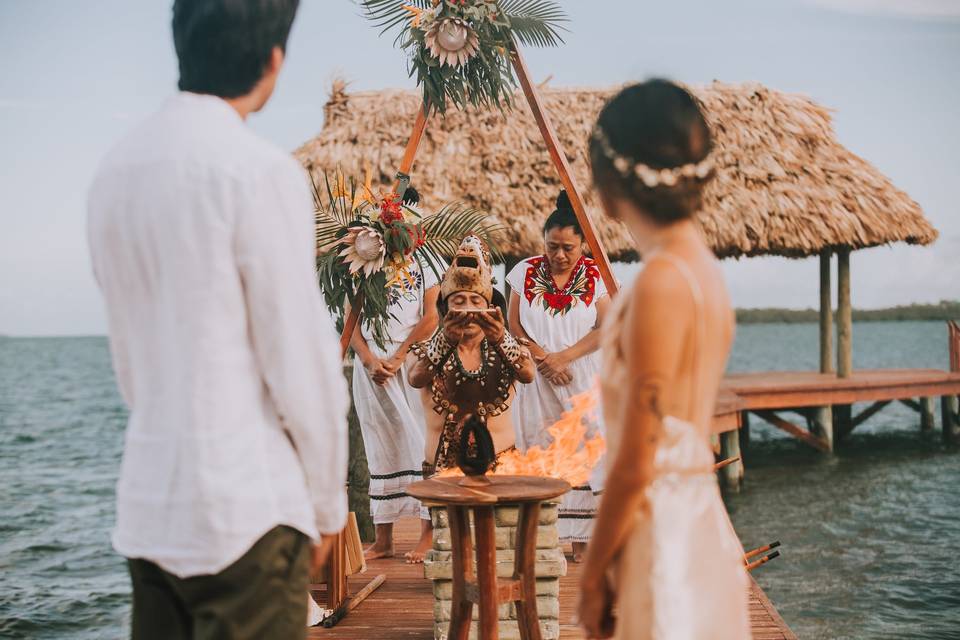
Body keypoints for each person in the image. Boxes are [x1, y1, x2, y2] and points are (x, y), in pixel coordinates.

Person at [86, 2, 348, 638]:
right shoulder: (259, 172)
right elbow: (300, 359)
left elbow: (131, 364)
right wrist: (327, 503)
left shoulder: (112, 174)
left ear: (181, 43)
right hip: (246, 511)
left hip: (150, 508)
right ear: (273, 60)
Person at [576, 80, 750, 639]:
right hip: (696, 516)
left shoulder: (661, 282)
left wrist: (592, 570)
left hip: (662, 536)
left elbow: (636, 457)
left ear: (611, 174)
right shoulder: (702, 268)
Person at [406, 235, 537, 561]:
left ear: (491, 306)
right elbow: (416, 377)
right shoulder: (424, 352)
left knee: (502, 556)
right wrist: (444, 341)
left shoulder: (508, 348)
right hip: (446, 472)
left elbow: (528, 373)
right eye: (458, 301)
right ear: (445, 307)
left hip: (501, 467)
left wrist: (501, 336)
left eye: (475, 302)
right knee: (453, 560)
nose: (467, 310)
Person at [505, 189, 611, 562]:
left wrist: (564, 357)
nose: (559, 255)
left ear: (583, 243)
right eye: (552, 246)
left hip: (580, 375)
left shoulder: (596, 277)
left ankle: (582, 541)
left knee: (585, 450)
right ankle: (544, 539)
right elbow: (513, 323)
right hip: (536, 375)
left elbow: (607, 326)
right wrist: (544, 358)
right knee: (540, 443)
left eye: (568, 247)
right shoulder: (524, 272)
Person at [349, 186, 443, 562]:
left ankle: (426, 534)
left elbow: (431, 316)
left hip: (412, 364)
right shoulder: (363, 260)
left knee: (422, 442)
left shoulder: (427, 261)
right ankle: (384, 538)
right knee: (380, 442)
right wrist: (370, 359)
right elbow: (350, 320)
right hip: (372, 369)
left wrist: (400, 356)